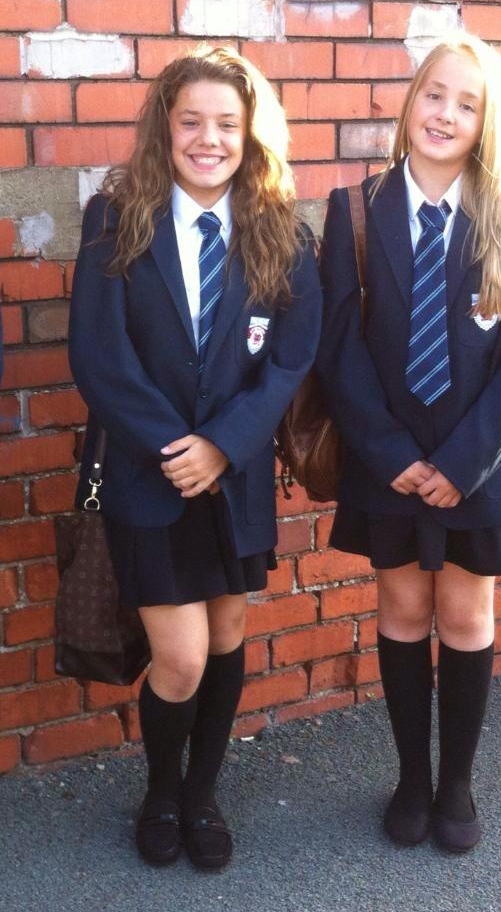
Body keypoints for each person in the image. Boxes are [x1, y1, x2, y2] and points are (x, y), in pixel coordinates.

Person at [68, 45, 321, 869]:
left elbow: (291, 355)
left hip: (236, 474)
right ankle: (160, 788)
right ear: (165, 128)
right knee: (177, 658)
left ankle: (202, 792)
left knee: (225, 634)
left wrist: (224, 443)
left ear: (251, 133)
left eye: (227, 123)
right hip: (147, 471)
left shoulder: (282, 227)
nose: (208, 139)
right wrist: (177, 447)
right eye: (191, 122)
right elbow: (99, 355)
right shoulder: (117, 216)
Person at [316, 31, 501, 854]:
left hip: (480, 464)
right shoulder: (355, 209)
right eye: (434, 93)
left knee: (462, 610)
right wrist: (392, 455)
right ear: (409, 100)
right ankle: (410, 776)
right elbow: (339, 346)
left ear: (489, 120)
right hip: (388, 458)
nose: (445, 113)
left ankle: (455, 780)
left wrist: (460, 463)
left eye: (468, 102)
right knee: (401, 606)